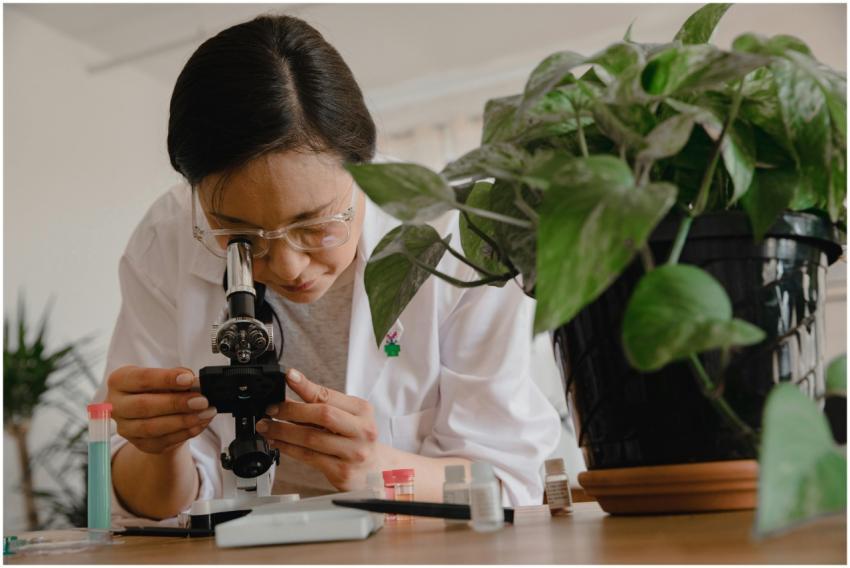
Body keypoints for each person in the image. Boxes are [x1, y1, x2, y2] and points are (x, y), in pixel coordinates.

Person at [94, 13, 561, 525]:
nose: (289, 266)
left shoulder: (459, 236)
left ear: (364, 167)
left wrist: (374, 467)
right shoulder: (167, 239)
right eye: (241, 238)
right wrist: (157, 447)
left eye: (316, 225)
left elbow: (512, 484)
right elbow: (147, 511)